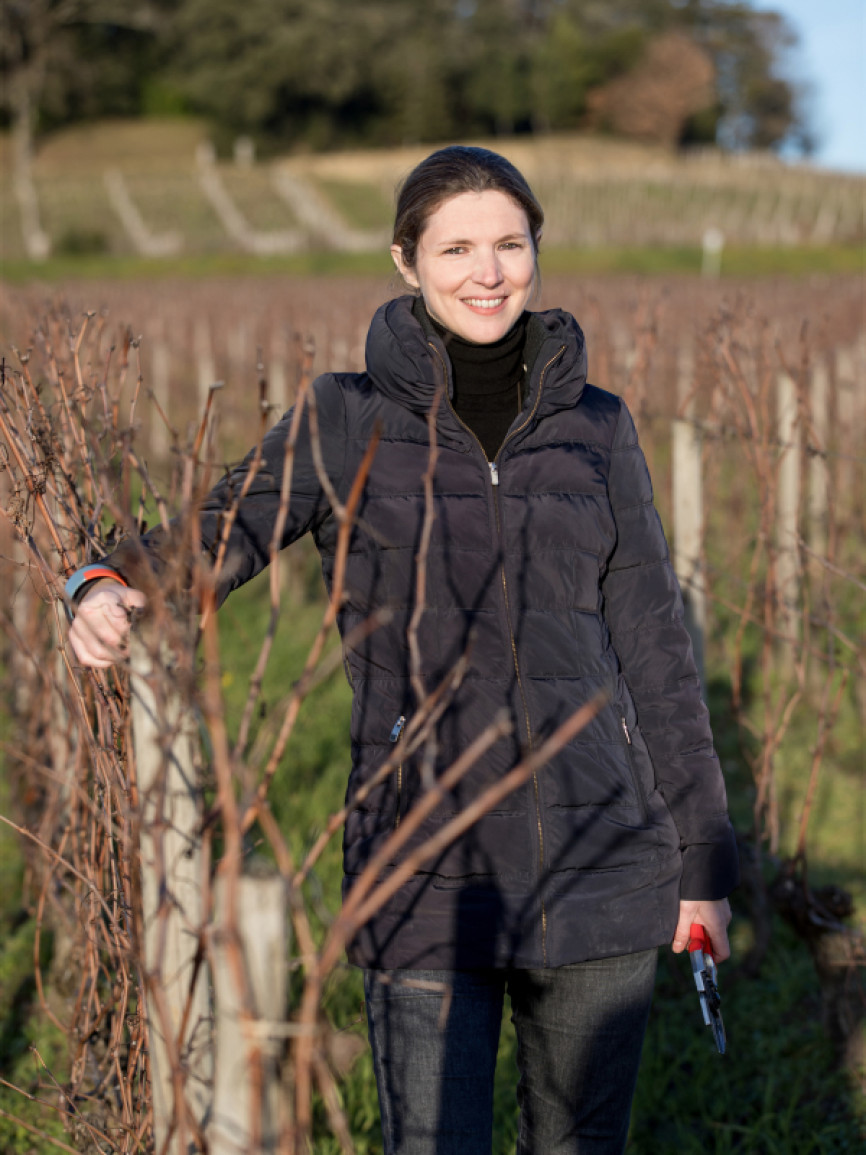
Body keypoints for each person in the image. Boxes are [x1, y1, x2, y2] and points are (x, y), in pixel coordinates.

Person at [67, 146, 738, 1155]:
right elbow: (221, 528)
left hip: (601, 859)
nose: (487, 272)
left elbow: (655, 652)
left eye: (509, 244)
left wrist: (701, 863)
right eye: (456, 248)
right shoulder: (347, 418)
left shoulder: (598, 428)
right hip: (424, 861)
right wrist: (104, 582)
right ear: (405, 260)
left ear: (536, 251)